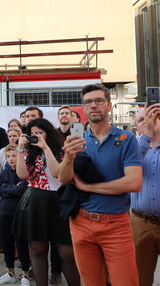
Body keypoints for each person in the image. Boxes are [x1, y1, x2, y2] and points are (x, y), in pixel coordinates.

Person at [59, 83, 142, 286]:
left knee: (126, 282)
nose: (93, 105)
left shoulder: (126, 139)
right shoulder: (77, 139)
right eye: (88, 102)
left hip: (116, 225)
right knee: (91, 282)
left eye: (99, 101)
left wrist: (88, 187)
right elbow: (63, 178)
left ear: (109, 105)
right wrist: (68, 157)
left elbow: (133, 182)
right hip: (81, 223)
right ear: (83, 108)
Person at [15, 118, 80, 286]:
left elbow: (57, 173)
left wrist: (45, 148)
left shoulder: (62, 149)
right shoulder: (29, 152)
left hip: (60, 200)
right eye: (32, 134)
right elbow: (22, 175)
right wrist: (20, 149)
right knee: (38, 250)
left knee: (66, 252)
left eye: (40, 133)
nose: (36, 137)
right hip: (36, 201)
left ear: (48, 133)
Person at [131, 103, 160, 285]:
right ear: (137, 128)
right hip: (141, 223)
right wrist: (147, 137)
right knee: (139, 278)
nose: (149, 120)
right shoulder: (133, 148)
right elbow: (132, 165)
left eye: (154, 115)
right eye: (142, 119)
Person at [0, 144, 30, 286]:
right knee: (7, 244)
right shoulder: (5, 170)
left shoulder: (24, 172)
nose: (11, 159)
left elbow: (23, 190)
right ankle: (9, 272)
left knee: (21, 244)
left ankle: (25, 274)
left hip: (19, 214)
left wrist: (7, 188)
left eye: (14, 155)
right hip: (5, 213)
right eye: (8, 156)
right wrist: (14, 188)